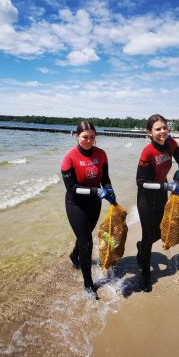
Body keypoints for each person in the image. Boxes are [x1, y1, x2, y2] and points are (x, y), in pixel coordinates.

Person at [61, 121, 116, 295]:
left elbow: (105, 178)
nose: (89, 140)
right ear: (77, 136)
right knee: (86, 242)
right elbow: (71, 188)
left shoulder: (101, 154)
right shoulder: (69, 158)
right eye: (85, 137)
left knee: (84, 237)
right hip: (75, 204)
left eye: (93, 137)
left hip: (94, 204)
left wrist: (109, 190)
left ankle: (73, 256)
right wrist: (94, 190)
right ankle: (88, 284)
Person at [135, 114, 179, 292]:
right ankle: (145, 276)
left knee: (159, 233)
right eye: (158, 129)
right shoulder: (148, 152)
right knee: (149, 237)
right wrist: (167, 185)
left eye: (164, 127)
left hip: (162, 196)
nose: (162, 131)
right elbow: (140, 182)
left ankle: (141, 247)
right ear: (150, 133)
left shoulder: (171, 144)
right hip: (146, 199)